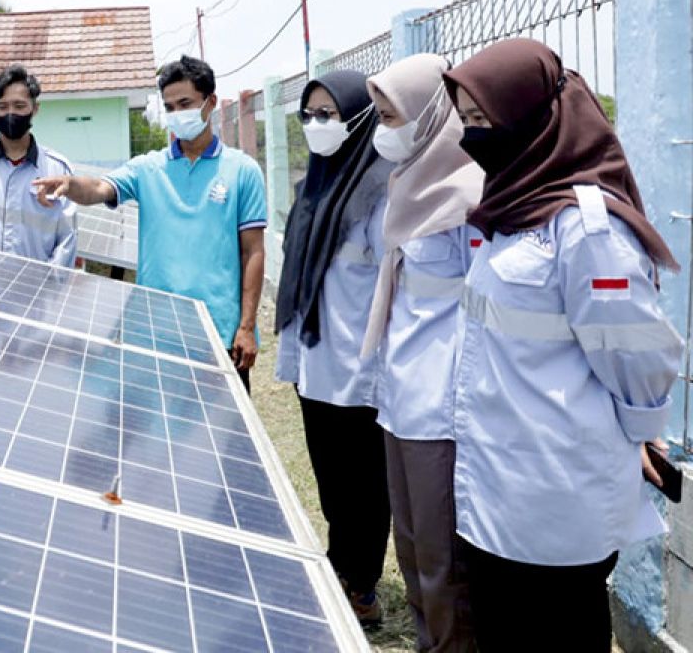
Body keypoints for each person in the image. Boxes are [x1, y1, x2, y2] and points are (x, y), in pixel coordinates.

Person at [442, 38, 682, 652]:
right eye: (465, 121)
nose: (473, 136)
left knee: (554, 633)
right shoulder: (512, 211)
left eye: (484, 120)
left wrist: (639, 437)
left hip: (555, 496)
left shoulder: (584, 229)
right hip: (496, 486)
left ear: (532, 121)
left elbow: (638, 357)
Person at [32, 55, 266, 389]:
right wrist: (70, 185)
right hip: (157, 333)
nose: (177, 114)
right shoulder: (148, 168)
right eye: (169, 107)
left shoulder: (242, 170)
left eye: (184, 103)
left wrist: (245, 326)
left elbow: (253, 252)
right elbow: (100, 188)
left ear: (210, 102)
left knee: (219, 434)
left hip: (218, 334)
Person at [361, 54, 483, 652]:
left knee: (443, 561)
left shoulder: (470, 194)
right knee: (409, 545)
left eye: (392, 116)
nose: (385, 129)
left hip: (443, 408)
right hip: (399, 399)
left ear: (433, 113)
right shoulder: (408, 182)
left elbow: (485, 310)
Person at [273, 69, 393, 627]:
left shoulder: (380, 188)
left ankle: (361, 583)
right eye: (310, 115)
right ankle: (339, 565)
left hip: (362, 365)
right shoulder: (314, 185)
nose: (318, 125)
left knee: (365, 483)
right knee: (330, 475)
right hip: (315, 359)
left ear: (359, 117)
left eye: (330, 115)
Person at [0, 65, 77, 266]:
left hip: (40, 291)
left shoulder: (58, 170)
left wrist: (48, 286)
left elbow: (66, 239)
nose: (10, 114)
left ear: (35, 109)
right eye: (2, 106)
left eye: (19, 106)